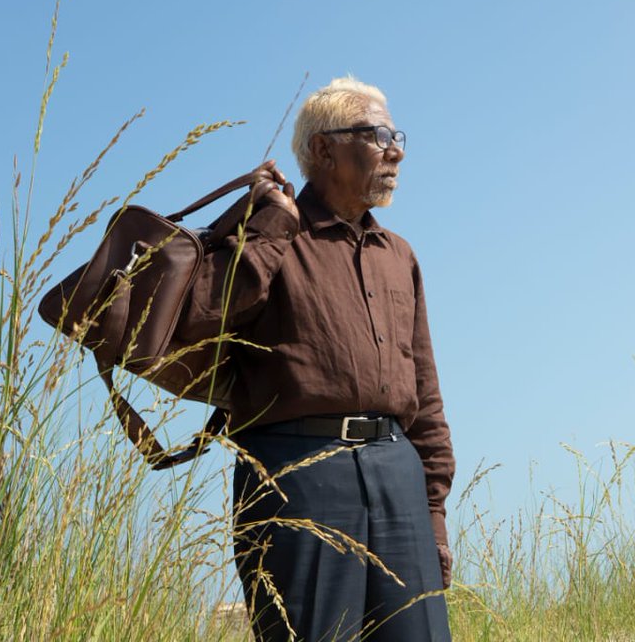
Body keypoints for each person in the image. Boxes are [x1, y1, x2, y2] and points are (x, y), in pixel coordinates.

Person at [181, 77, 454, 641]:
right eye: (379, 135)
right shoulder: (269, 232)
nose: (396, 150)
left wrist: (433, 514)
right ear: (325, 149)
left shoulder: (399, 256)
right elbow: (203, 317)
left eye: (395, 134)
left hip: (398, 476)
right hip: (297, 473)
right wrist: (267, 226)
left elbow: (424, 396)